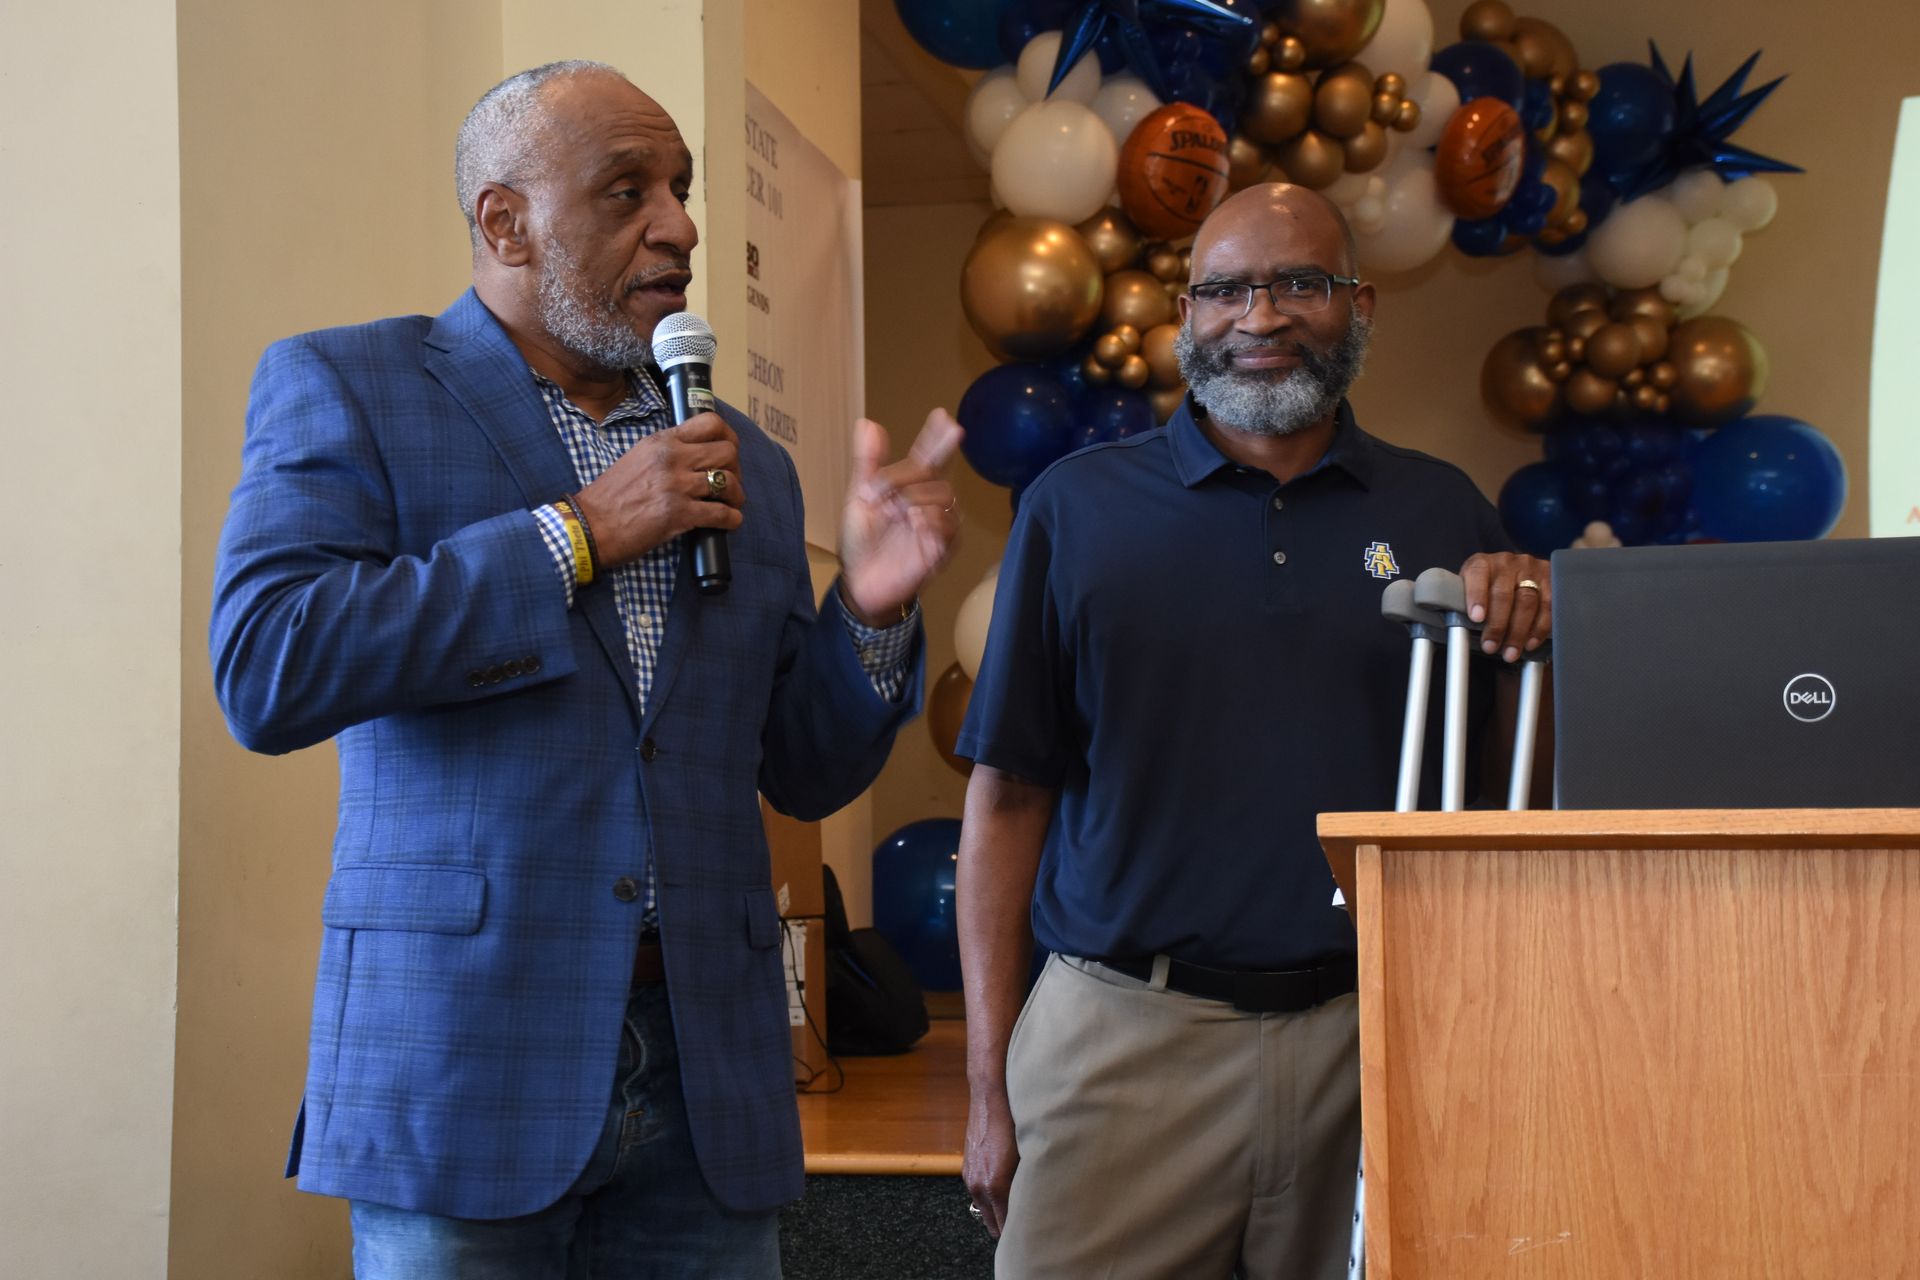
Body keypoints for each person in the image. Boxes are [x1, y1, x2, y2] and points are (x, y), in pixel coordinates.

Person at [210, 60, 961, 1278]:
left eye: (680, 187)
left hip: (708, 1069)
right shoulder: (352, 384)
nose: (679, 224)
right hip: (464, 1062)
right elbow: (269, 662)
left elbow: (804, 770)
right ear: (503, 221)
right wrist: (576, 533)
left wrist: (869, 611)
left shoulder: (745, 462)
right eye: (627, 191)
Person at [954, 183, 1552, 1280]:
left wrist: (1527, 614)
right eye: (1225, 288)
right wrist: (986, 1086)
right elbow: (1007, 800)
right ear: (1186, 315)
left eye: (1300, 284)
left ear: (1359, 304)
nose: (1260, 315)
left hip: (1367, 1041)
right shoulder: (1075, 509)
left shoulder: (1442, 513)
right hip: (1122, 1037)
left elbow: (1513, 804)